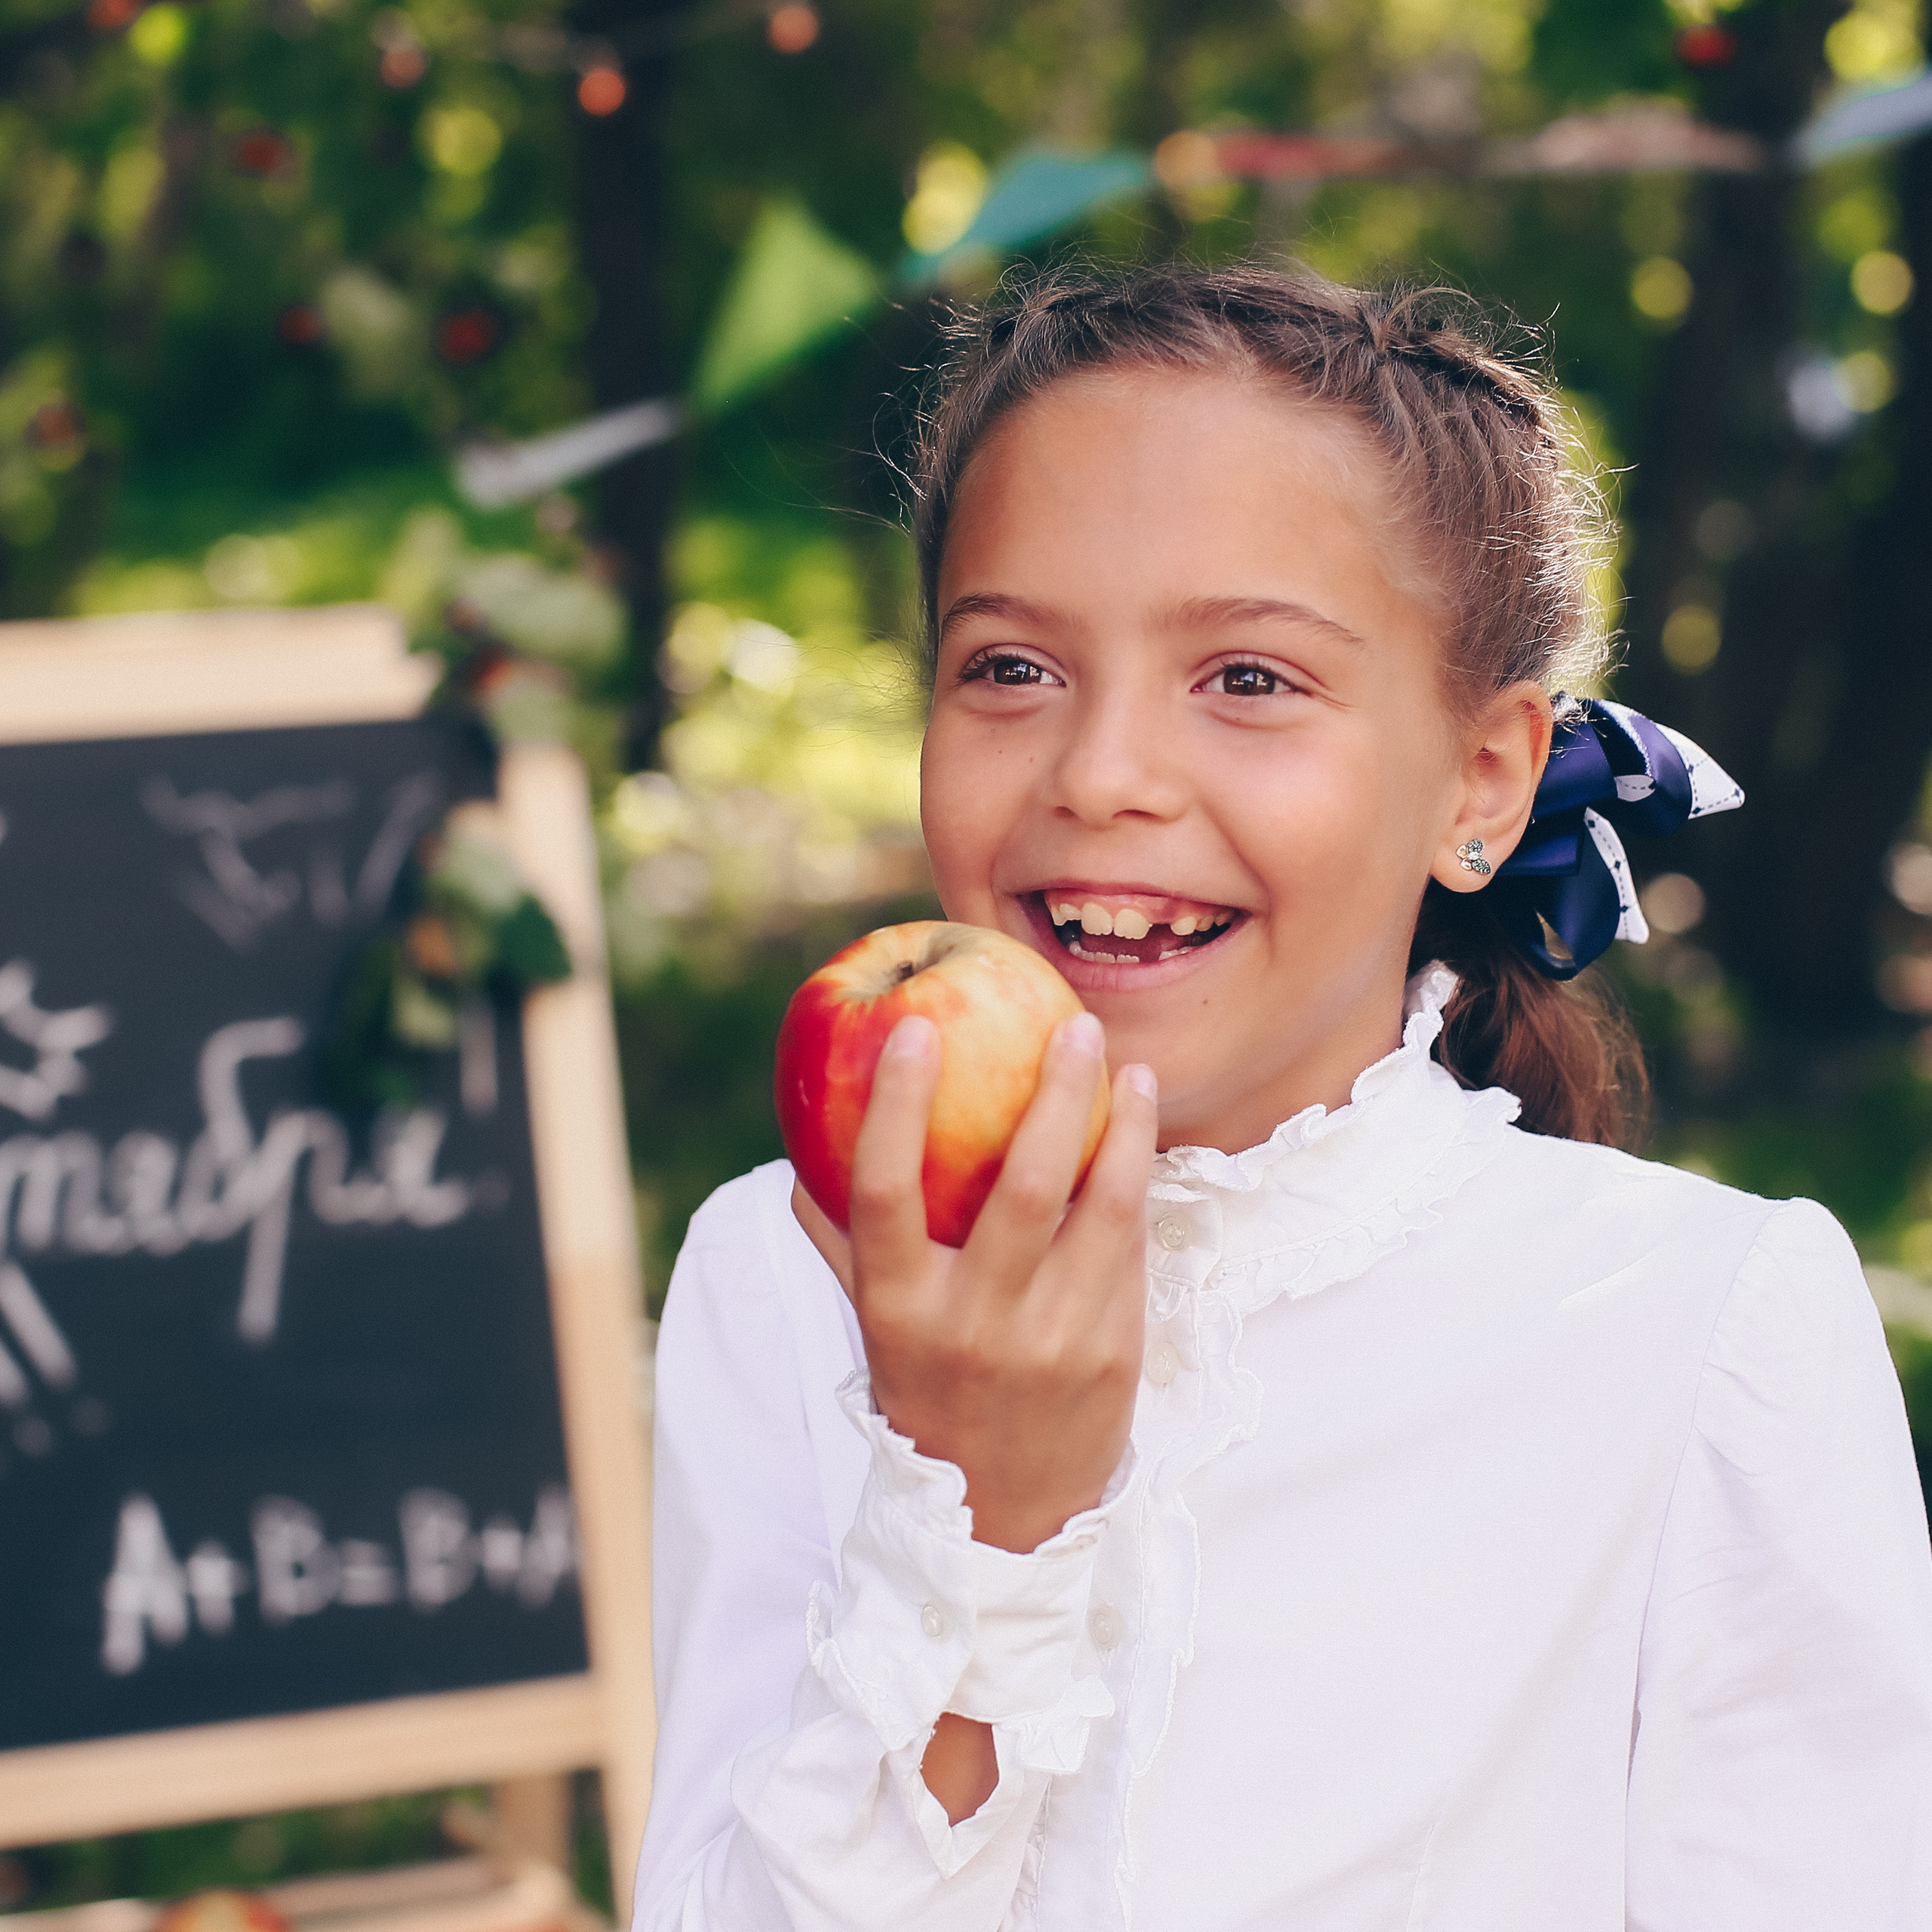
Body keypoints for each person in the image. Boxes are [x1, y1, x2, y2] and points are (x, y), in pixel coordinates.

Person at [632, 265, 1932, 1930]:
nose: (1099, 772)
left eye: (1246, 678)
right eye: (1009, 667)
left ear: (1478, 781)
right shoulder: (784, 1273)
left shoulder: (1702, 1330)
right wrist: (976, 1527)